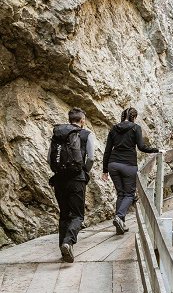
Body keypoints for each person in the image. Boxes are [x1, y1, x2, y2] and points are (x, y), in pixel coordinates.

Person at [48, 107, 95, 263]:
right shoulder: (87, 134)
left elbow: (49, 158)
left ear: (70, 120)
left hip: (59, 179)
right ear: (82, 120)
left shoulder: (58, 134)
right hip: (77, 179)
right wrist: (84, 171)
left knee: (64, 215)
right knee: (77, 215)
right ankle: (68, 243)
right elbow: (91, 159)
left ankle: (63, 249)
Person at [102, 107, 159, 234]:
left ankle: (120, 224)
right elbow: (141, 147)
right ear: (134, 117)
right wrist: (156, 150)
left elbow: (107, 150)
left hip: (113, 164)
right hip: (128, 164)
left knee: (121, 194)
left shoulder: (113, 128)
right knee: (129, 194)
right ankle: (119, 216)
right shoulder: (135, 128)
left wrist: (105, 169)